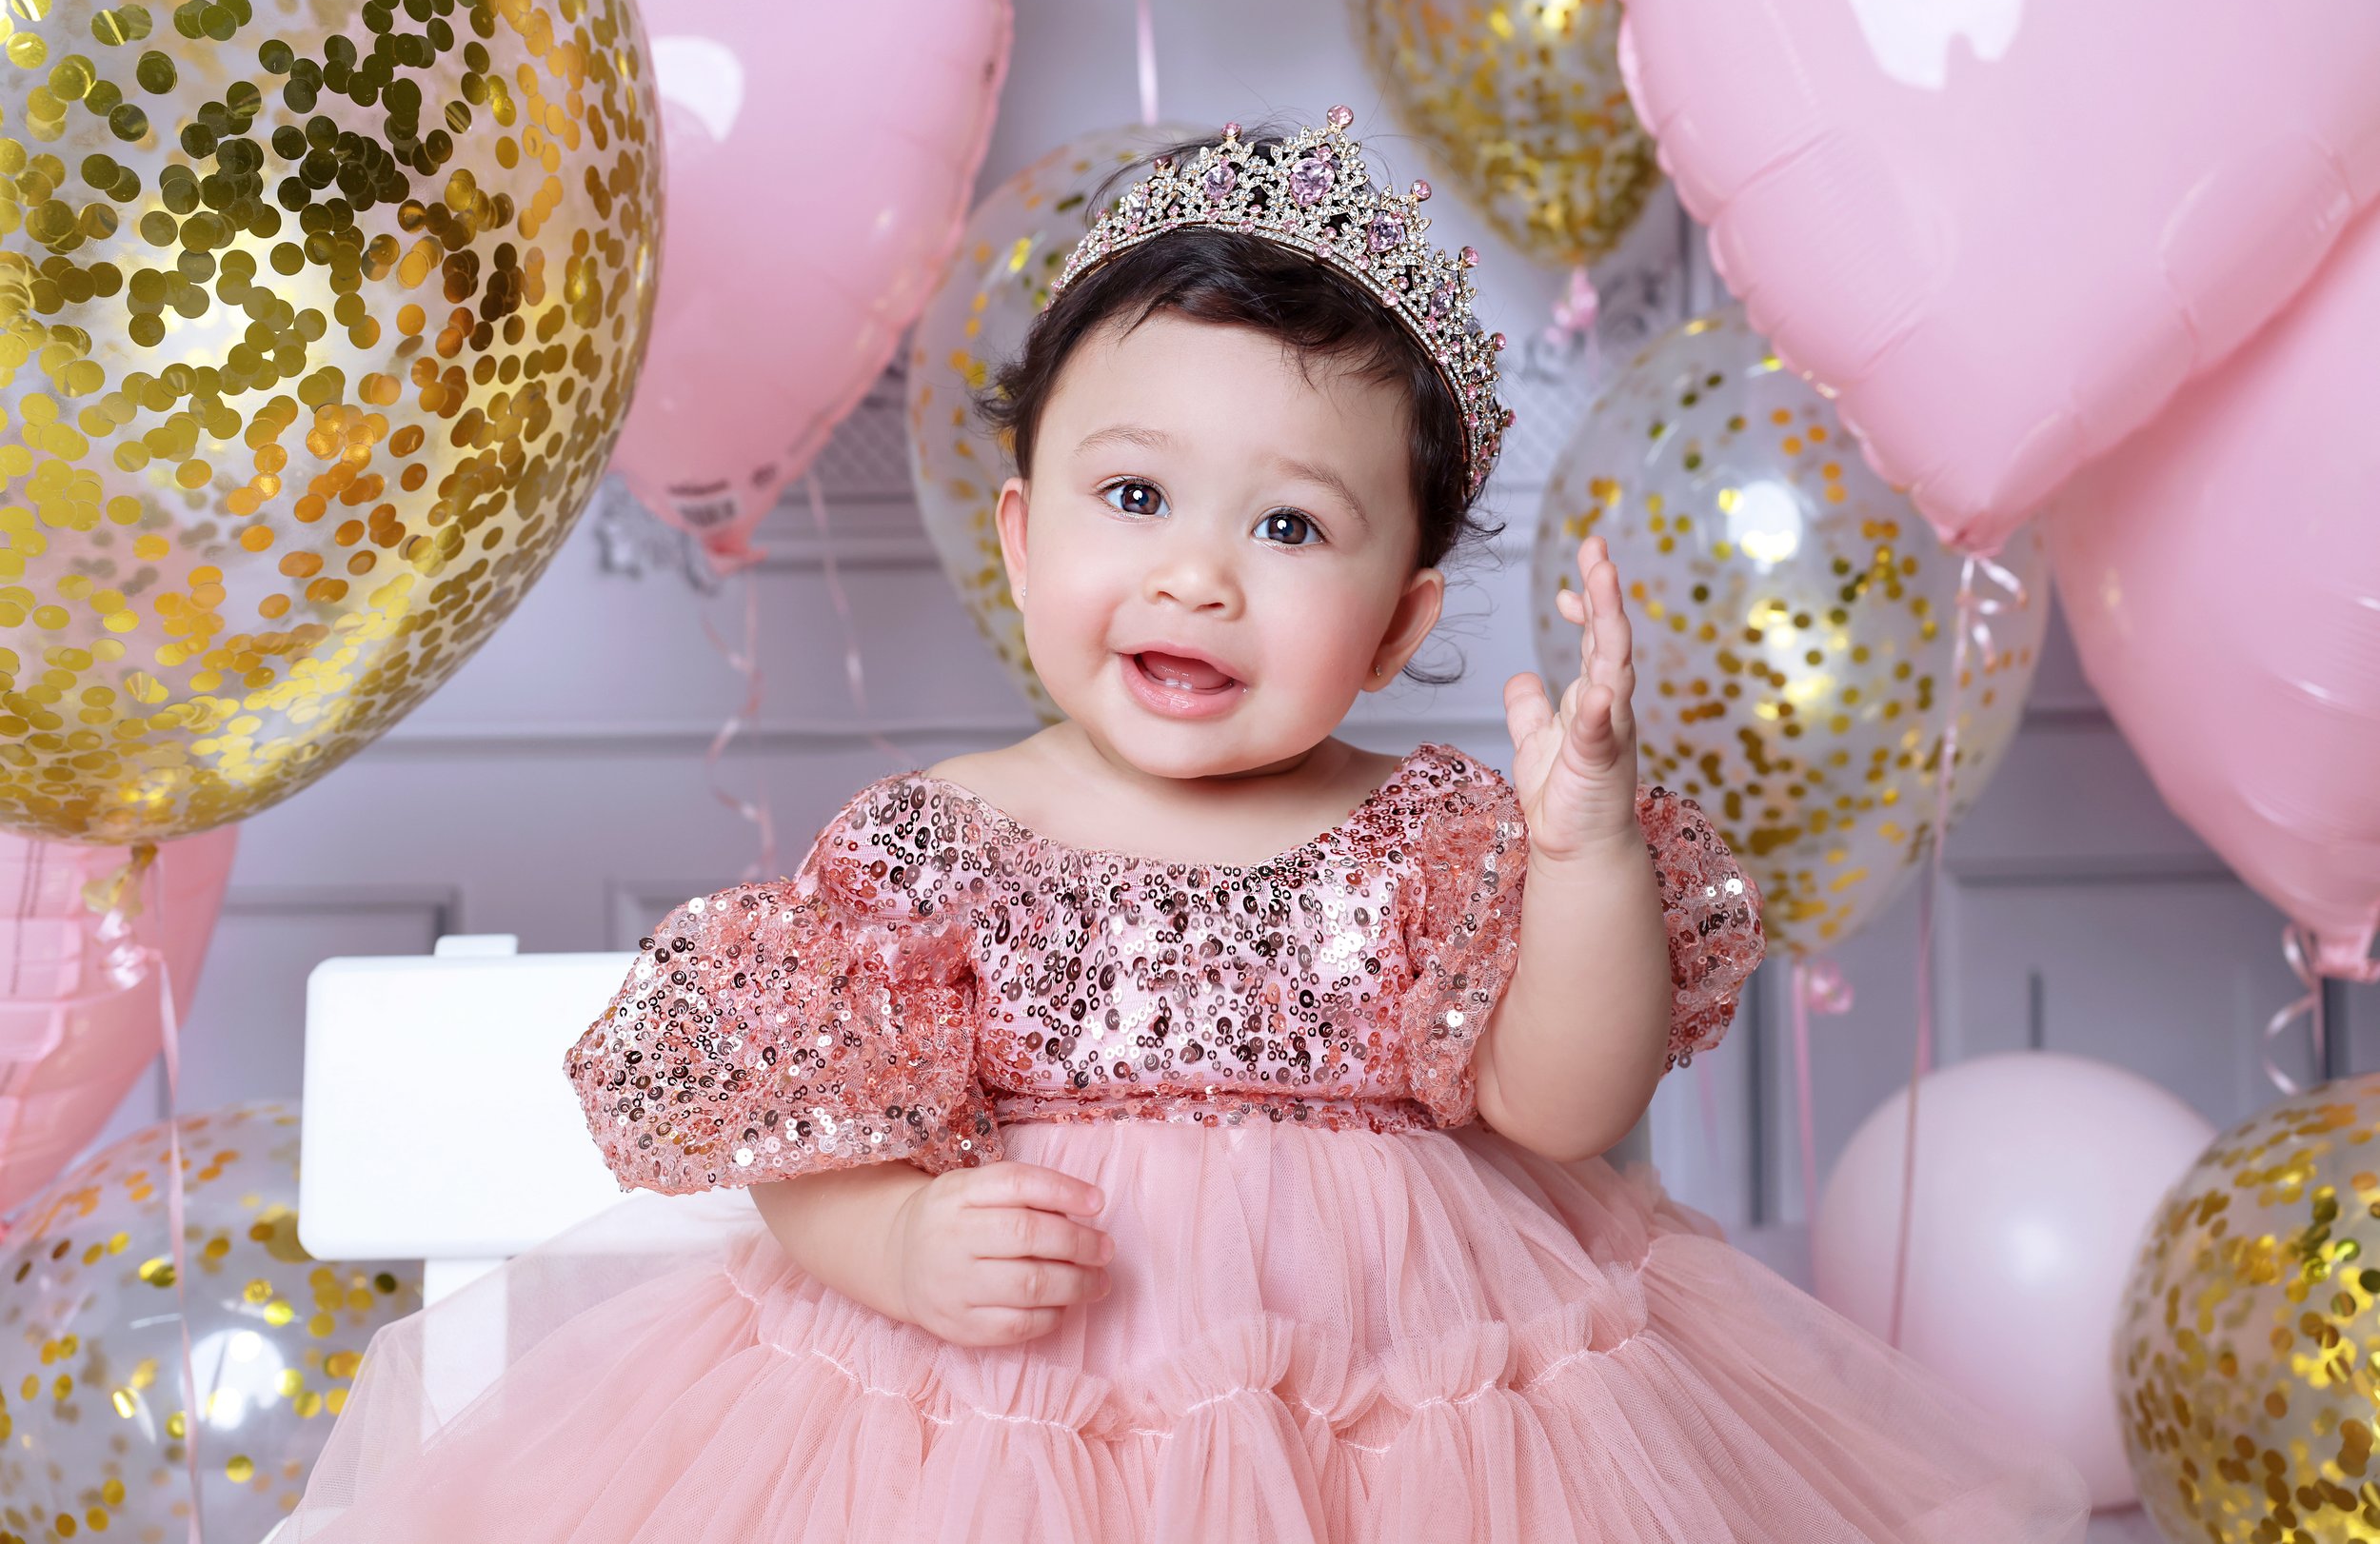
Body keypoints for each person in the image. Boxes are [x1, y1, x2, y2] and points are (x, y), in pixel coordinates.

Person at [282, 108, 2092, 1542]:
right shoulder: (932, 842)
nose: (1200, 574)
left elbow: (1570, 1107)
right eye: (1133, 495)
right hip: (994, 1447)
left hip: (1420, 1434)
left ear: (1396, 626)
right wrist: (900, 1248)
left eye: (1292, 529)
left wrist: (1586, 848)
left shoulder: (1437, 840)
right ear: (1018, 541)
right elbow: (808, 1141)